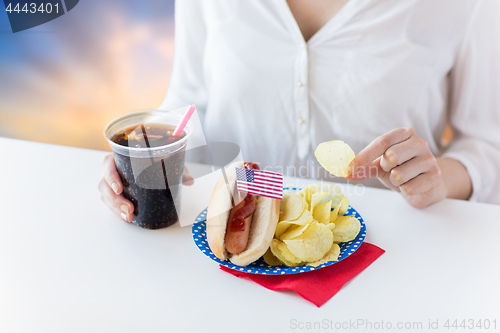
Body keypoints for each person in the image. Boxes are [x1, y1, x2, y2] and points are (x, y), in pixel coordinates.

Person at [98, 0, 500, 222]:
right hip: (231, 239)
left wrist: (439, 182)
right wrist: (145, 160)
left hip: (387, 253)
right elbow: (187, 103)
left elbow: (486, 145)